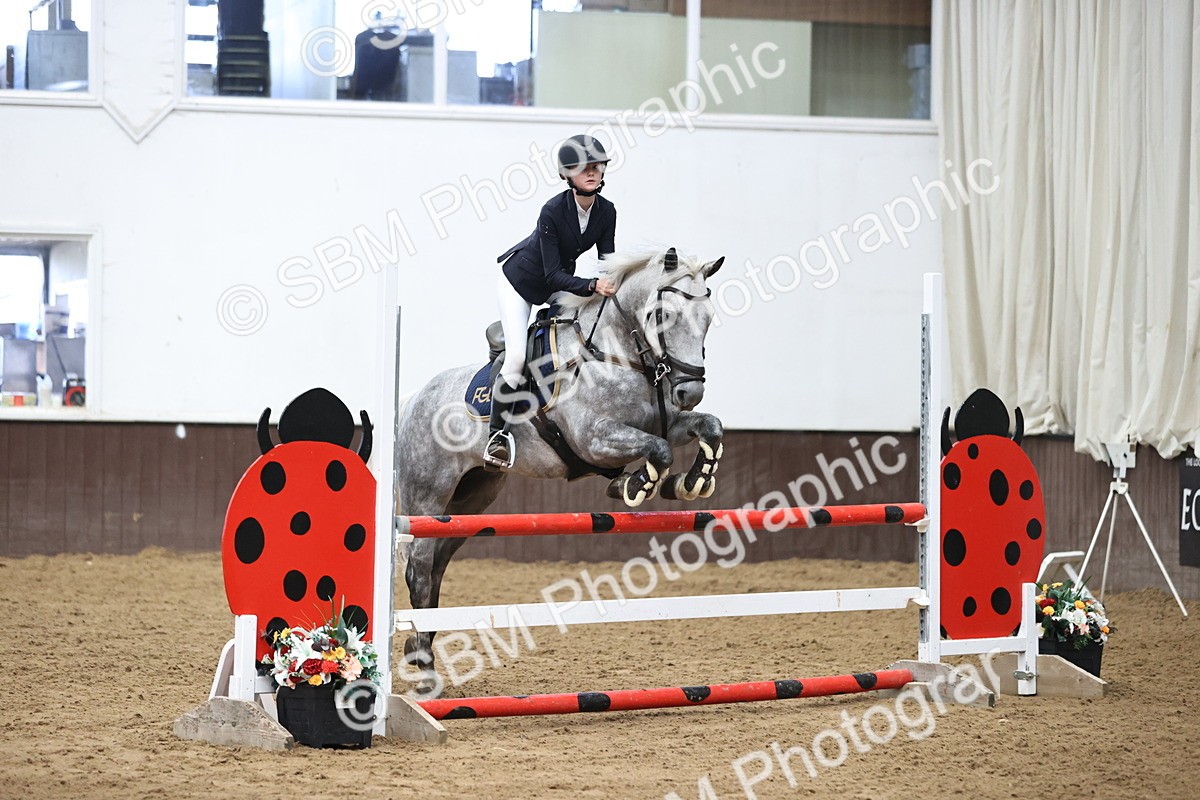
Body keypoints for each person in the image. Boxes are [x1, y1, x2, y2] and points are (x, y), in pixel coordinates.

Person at [484, 134, 620, 469]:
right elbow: (552, 275)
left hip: (558, 282)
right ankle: (497, 437)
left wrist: (616, 282)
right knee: (517, 356)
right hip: (520, 283)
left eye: (597, 165)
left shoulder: (607, 211)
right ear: (567, 175)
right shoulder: (552, 211)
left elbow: (608, 262)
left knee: (583, 326)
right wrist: (591, 285)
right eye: (583, 167)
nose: (592, 171)